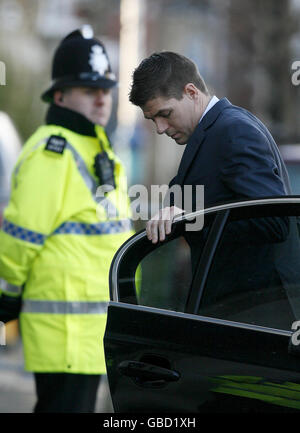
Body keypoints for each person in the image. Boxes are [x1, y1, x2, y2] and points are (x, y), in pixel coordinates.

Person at [0, 27, 134, 413]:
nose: (101, 100)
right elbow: (21, 236)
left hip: (91, 333)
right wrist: (7, 297)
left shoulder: (97, 145)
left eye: (105, 91)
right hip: (64, 334)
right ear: (60, 95)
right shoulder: (52, 151)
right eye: (89, 91)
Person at [129, 51, 291, 243]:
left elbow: (274, 223)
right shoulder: (215, 133)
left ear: (191, 92)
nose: (160, 128)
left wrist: (193, 217)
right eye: (153, 119)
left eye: (165, 113)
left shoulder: (233, 131)